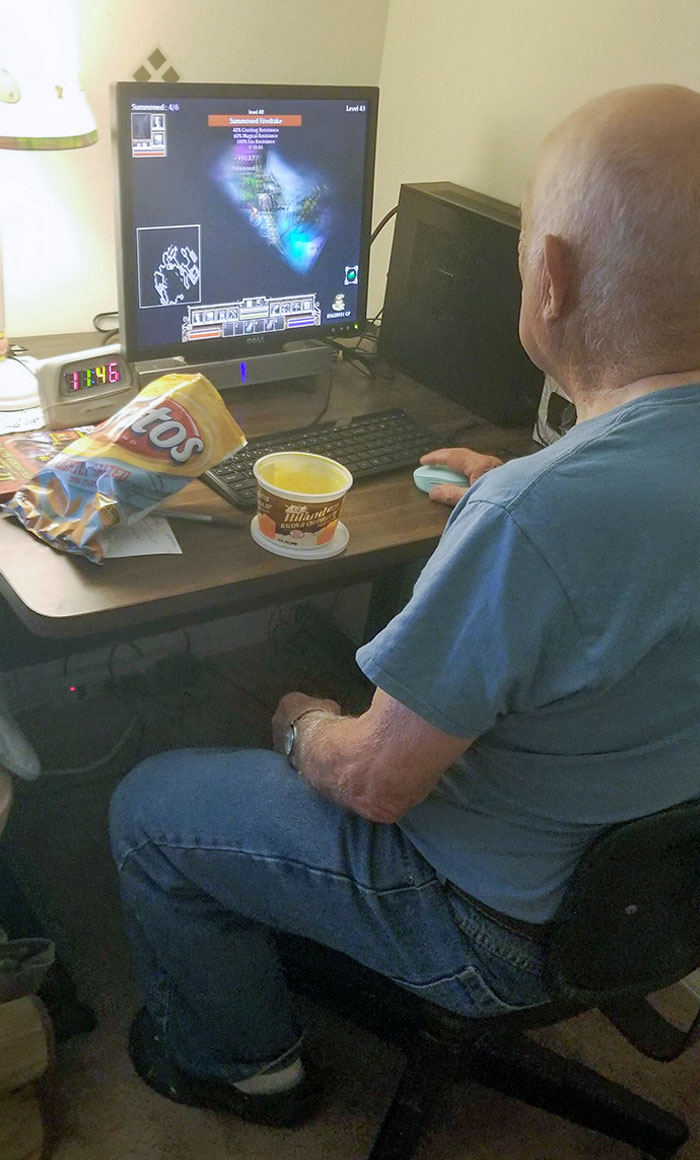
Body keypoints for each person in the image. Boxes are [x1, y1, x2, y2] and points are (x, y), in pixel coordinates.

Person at [109, 83, 700, 1127]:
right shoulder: (562, 498)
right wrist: (514, 495)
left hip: (490, 927)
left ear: (550, 276)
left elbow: (376, 785)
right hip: (652, 901)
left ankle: (242, 1064)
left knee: (151, 800)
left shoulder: (539, 515)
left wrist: (295, 723)